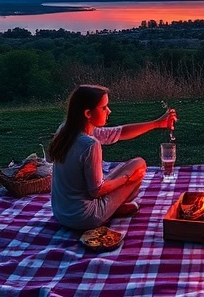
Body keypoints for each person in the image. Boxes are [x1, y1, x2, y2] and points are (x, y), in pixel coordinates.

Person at [46, 84, 177, 230]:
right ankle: (109, 212)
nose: (109, 111)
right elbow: (96, 191)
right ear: (88, 113)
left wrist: (157, 123)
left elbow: (120, 132)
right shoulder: (90, 144)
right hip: (85, 217)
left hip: (62, 214)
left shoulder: (65, 130)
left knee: (132, 165)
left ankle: (113, 208)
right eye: (103, 107)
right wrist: (126, 179)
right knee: (138, 165)